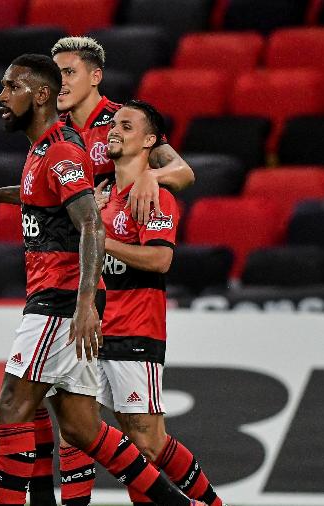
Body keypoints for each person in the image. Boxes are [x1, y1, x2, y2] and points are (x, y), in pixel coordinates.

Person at [0, 54, 206, 506]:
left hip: (60, 301)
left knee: (12, 407)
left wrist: (82, 307)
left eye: (10, 87)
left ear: (39, 95)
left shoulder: (64, 147)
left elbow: (93, 226)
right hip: (74, 301)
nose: (1, 97)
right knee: (80, 428)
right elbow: (39, 192)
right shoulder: (46, 149)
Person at [73, 100, 222, 506]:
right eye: (113, 125)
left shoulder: (154, 196)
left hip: (136, 330)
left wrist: (105, 241)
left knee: (148, 442)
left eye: (126, 126)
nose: (113, 131)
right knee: (95, 435)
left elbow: (160, 259)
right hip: (97, 329)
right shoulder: (102, 199)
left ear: (150, 141)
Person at [51, 36, 194, 224]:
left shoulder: (125, 121)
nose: (59, 82)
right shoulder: (52, 132)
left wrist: (151, 175)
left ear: (95, 77)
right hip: (71, 241)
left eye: (69, 72)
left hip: (120, 237)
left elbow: (184, 173)